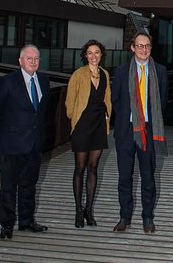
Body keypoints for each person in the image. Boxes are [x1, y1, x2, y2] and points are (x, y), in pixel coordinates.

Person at [0, 44, 50, 240]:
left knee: (29, 184)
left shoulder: (44, 80)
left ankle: (26, 221)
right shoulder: (8, 81)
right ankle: (6, 225)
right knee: (8, 186)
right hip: (12, 142)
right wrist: (11, 127)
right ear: (20, 61)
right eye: (29, 58)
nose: (33, 62)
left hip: (34, 143)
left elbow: (40, 111)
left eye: (36, 58)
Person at [111, 31, 168, 233]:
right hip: (126, 131)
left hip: (149, 130)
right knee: (124, 177)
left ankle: (148, 217)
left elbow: (162, 101)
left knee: (148, 177)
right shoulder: (121, 71)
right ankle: (124, 217)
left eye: (147, 46)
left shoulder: (160, 71)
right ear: (133, 48)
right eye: (140, 45)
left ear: (150, 49)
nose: (143, 49)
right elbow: (116, 101)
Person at [65, 39, 112, 228]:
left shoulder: (105, 74)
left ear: (101, 55)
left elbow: (107, 100)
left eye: (97, 52)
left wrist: (108, 119)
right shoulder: (78, 74)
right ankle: (78, 209)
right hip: (82, 126)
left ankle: (89, 210)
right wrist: (76, 121)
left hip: (99, 125)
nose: (94, 56)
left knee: (93, 167)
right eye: (90, 53)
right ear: (85, 55)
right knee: (80, 168)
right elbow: (69, 103)